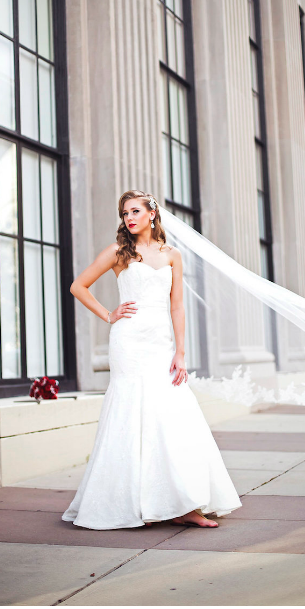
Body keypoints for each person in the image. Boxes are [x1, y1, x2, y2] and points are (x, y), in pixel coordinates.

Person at [63, 190, 241, 529]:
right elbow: (78, 286)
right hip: (129, 342)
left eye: (134, 211)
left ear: (151, 214)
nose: (128, 218)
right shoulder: (119, 252)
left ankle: (183, 502)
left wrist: (181, 352)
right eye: (124, 213)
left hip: (160, 343)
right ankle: (129, 500)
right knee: (130, 411)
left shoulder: (172, 255)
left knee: (171, 412)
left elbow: (177, 306)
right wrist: (108, 314)